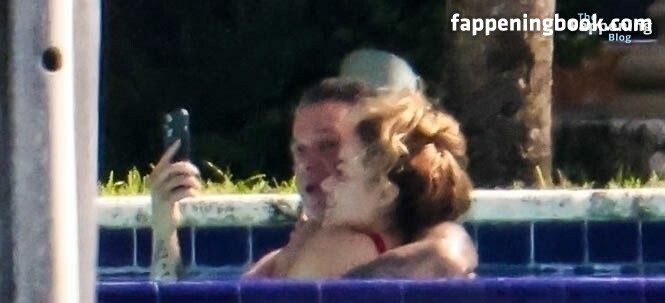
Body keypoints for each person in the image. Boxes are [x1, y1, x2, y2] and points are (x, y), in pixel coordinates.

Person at [150, 76, 477, 280]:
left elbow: (446, 255)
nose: (309, 164)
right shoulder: (309, 237)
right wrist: (165, 229)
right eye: (300, 149)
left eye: (330, 146)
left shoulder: (360, 244)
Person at [262, 89, 473, 278]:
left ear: (385, 193)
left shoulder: (347, 247)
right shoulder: (323, 233)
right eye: (299, 149)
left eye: (341, 172)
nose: (327, 184)